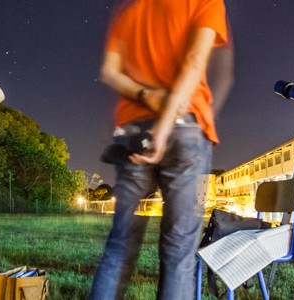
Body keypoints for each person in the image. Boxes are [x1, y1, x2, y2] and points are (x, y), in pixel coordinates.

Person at [89, 0, 228, 299]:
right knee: (179, 252)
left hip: (132, 133)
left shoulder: (129, 11)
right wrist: (164, 126)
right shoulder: (205, 2)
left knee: (119, 247)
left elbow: (109, 72)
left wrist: (145, 95)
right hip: (185, 130)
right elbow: (193, 61)